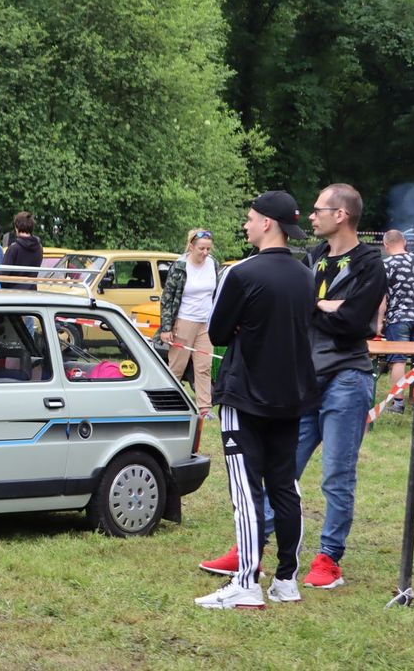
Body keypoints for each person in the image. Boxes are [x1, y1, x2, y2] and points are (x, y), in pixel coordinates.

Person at [201, 184, 387, 591]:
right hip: (306, 379)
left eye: (319, 209)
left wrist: (318, 308)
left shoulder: (370, 263)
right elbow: (303, 312)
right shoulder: (313, 259)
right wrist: (321, 306)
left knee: (337, 473)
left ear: (341, 215)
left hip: (348, 377)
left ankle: (328, 558)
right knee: (284, 475)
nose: (312, 215)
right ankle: (253, 547)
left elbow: (356, 322)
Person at [194, 191, 319, 609]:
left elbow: (217, 332)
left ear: (268, 223)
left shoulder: (240, 272)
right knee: (286, 486)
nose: (246, 225)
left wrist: (244, 329)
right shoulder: (305, 274)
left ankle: (246, 581)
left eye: (250, 218)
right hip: (291, 396)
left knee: (246, 491)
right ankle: (287, 580)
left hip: (245, 394)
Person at [158, 229, 222, 419]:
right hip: (184, 320)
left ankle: (205, 407)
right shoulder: (179, 266)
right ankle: (166, 401)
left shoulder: (213, 264)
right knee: (177, 365)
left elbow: (216, 292)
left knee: (204, 366)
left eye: (208, 249)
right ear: (191, 246)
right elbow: (167, 299)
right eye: (201, 248)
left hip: (206, 322)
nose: (205, 253)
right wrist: (166, 327)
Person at [379, 229, 414, 413]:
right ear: (404, 242)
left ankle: (398, 403)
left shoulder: (386, 265)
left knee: (398, 360)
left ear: (386, 245)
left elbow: (382, 297)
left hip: (398, 319)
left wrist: (379, 321)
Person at [2, 211, 43, 289]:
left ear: (16, 227)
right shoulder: (39, 248)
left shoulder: (13, 248)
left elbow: (3, 276)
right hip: (32, 291)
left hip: (13, 293)